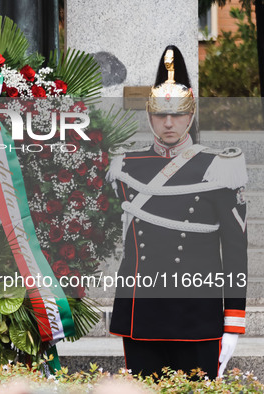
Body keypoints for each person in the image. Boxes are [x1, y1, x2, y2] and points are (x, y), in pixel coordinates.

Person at [106, 45, 248, 379]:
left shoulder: (219, 167)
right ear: (149, 115)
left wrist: (233, 324)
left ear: (192, 115)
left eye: (178, 114)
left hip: (197, 315)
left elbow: (236, 249)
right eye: (160, 115)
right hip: (141, 313)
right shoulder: (125, 165)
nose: (169, 123)